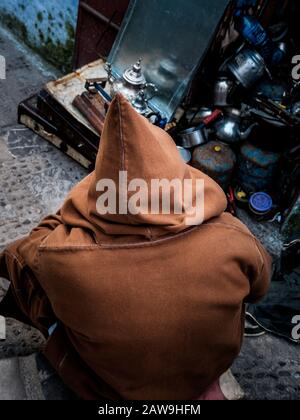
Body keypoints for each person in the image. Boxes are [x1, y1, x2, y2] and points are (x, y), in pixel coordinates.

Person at [0, 94, 271, 400]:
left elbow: (29, 249)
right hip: (206, 369)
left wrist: (80, 205)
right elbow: (259, 290)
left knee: (24, 265)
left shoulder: (63, 255)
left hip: (121, 391)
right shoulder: (233, 234)